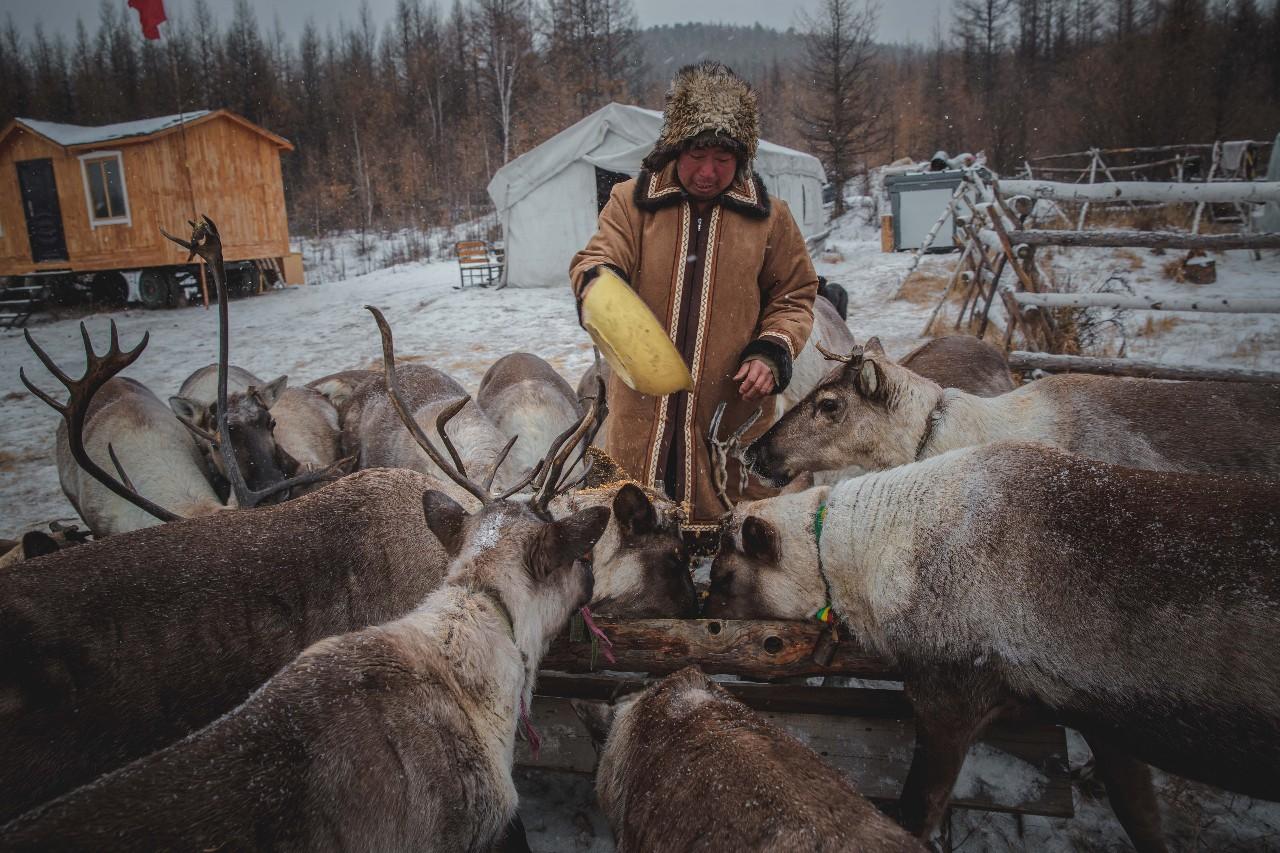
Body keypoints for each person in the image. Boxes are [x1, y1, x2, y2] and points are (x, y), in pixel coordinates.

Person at [570, 62, 819, 536]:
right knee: (636, 542)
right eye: (698, 155)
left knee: (730, 549)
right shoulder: (631, 203)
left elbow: (795, 294)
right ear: (675, 147)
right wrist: (599, 285)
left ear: (742, 157)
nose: (708, 172)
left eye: (723, 159)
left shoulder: (770, 220)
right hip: (642, 412)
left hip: (729, 410)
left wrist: (772, 350)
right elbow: (596, 259)